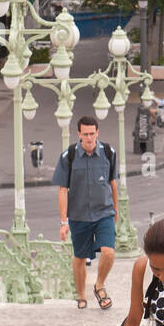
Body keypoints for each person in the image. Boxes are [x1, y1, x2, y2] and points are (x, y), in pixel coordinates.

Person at [53, 115, 118, 310]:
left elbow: (113, 184)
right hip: (79, 216)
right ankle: (81, 294)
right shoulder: (69, 156)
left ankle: (99, 285)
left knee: (108, 252)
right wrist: (63, 222)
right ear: (79, 134)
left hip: (104, 212)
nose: (89, 138)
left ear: (97, 133)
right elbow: (62, 190)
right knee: (80, 257)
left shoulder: (108, 152)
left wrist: (116, 211)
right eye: (85, 134)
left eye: (92, 134)